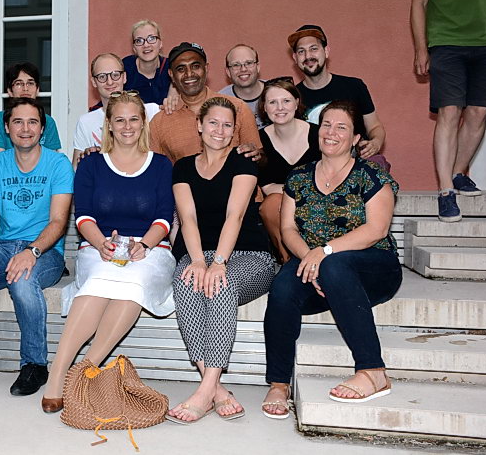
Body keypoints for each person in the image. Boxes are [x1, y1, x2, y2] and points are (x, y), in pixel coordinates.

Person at [262, 101, 402, 420]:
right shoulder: (299, 177)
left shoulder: (371, 175)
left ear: (355, 138)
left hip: (373, 269)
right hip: (317, 268)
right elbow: (288, 229)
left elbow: (376, 229)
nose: (331, 132)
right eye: (326, 125)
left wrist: (323, 252)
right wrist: (310, 259)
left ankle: (373, 371)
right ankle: (279, 383)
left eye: (341, 127)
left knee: (335, 264)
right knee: (283, 286)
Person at [41, 92, 175, 413]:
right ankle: (58, 371)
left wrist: (144, 245)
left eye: (134, 119)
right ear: (109, 125)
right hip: (98, 245)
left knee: (133, 284)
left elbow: (163, 217)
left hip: (150, 249)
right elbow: (83, 215)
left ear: (143, 123)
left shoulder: (160, 165)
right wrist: (101, 242)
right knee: (99, 280)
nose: (127, 126)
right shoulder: (91, 165)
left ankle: (84, 371)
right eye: (120, 120)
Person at [167, 97, 275, 423]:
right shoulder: (183, 167)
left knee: (220, 286)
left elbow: (235, 215)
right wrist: (199, 262)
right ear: (199, 125)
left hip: (249, 255)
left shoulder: (243, 163)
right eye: (213, 122)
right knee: (185, 282)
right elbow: (187, 218)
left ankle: (204, 392)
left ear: (234, 130)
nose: (220, 130)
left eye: (227, 125)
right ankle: (215, 388)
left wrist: (218, 263)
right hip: (198, 253)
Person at [0, 97, 74, 396]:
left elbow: (58, 221)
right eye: (18, 122)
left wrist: (32, 252)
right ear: (7, 128)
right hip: (4, 246)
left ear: (42, 129)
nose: (25, 129)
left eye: (32, 122)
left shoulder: (58, 164)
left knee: (23, 280)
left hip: (45, 251)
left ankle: (35, 364)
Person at [411, 0, 486, 222]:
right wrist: (421, 49)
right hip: (447, 44)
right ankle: (446, 191)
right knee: (449, 111)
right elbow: (419, 3)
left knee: (478, 112)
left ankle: (458, 173)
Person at [288, 25, 389, 169]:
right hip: (317, 168)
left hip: (357, 163)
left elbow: (375, 126)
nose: (308, 56)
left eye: (314, 49)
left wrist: (376, 143)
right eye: (301, 51)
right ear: (295, 58)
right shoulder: (292, 98)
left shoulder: (354, 86)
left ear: (326, 51)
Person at [149, 42, 262, 164]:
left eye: (195, 66)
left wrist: (256, 155)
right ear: (171, 74)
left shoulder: (238, 108)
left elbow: (259, 158)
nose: (189, 74)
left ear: (206, 68)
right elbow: (155, 169)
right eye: (181, 69)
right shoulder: (159, 122)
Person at [257, 78, 321, 263]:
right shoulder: (259, 140)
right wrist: (299, 191)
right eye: (272, 102)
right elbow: (268, 187)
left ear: (296, 103)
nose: (280, 108)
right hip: (281, 202)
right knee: (271, 204)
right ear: (264, 107)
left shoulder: (318, 135)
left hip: (320, 198)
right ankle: (288, 260)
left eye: (286, 101)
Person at [72, 53, 160, 166]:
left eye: (115, 75)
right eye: (102, 77)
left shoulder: (152, 111)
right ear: (94, 81)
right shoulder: (86, 122)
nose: (110, 82)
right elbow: (75, 169)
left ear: (124, 77)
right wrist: (85, 160)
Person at [0, 62, 62, 153]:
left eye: (30, 83)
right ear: (10, 91)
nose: (25, 89)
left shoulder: (48, 121)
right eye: (19, 83)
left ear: (37, 89)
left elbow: (51, 158)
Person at [122, 19, 178, 106]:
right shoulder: (124, 68)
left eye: (152, 38)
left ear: (160, 43)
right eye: (139, 41)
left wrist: (176, 85)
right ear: (134, 48)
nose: (146, 45)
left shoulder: (172, 67)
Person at [219, 44, 267, 129]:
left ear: (258, 67)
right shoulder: (220, 102)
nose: (243, 69)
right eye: (236, 65)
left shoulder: (276, 91)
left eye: (249, 63)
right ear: (228, 72)